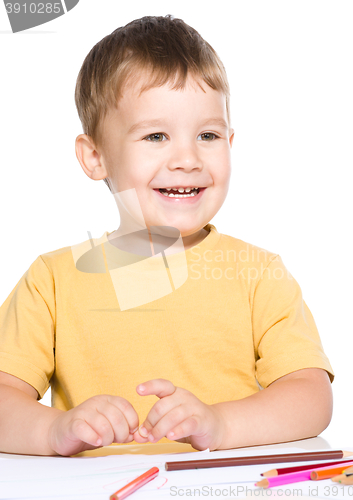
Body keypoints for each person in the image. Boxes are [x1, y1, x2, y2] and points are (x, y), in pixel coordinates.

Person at [0, 15, 334, 457]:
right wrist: (54, 430)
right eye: (156, 135)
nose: (187, 158)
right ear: (95, 156)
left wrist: (221, 423)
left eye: (208, 135)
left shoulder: (258, 275)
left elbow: (311, 396)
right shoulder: (52, 281)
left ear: (230, 143)